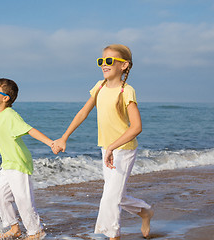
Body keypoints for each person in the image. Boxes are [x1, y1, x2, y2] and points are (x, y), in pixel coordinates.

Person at [52, 44, 154, 240]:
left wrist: (113, 147)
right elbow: (83, 113)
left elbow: (136, 127)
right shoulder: (99, 86)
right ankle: (145, 212)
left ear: (124, 65)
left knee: (110, 197)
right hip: (106, 149)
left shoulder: (127, 91)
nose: (103, 64)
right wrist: (64, 137)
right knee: (116, 196)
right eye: (101, 61)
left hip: (123, 150)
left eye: (109, 61)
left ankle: (111, 236)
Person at [0, 78, 50, 240]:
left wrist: (50, 143)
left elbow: (30, 130)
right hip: (7, 164)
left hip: (19, 162)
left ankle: (36, 231)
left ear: (5, 98)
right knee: (1, 196)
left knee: (23, 199)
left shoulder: (11, 115)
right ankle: (15, 228)